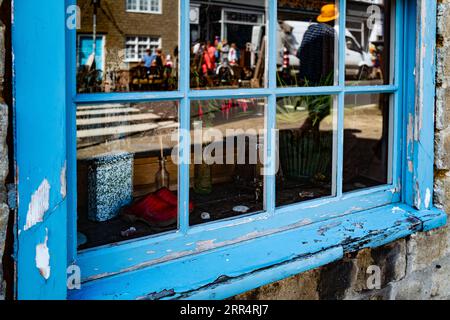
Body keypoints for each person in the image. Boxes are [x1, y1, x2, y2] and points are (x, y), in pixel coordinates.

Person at [297, 3, 338, 86]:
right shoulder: (330, 32)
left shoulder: (309, 31)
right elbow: (333, 57)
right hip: (320, 79)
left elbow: (299, 53)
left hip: (304, 76)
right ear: (332, 20)